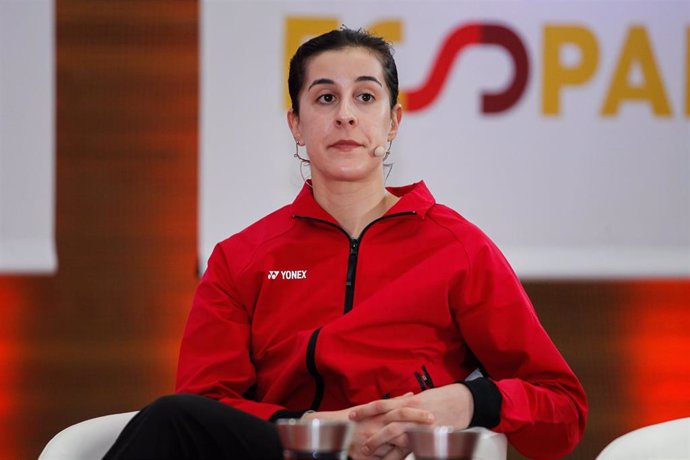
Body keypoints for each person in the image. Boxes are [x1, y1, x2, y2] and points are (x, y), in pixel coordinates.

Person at [104, 27, 587, 460]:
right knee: (173, 418)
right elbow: (205, 410)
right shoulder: (242, 258)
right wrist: (318, 431)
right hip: (287, 450)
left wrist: (467, 402)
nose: (346, 117)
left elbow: (563, 410)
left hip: (405, 455)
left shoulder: (458, 247)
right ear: (296, 124)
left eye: (365, 97)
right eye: (325, 98)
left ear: (394, 121)